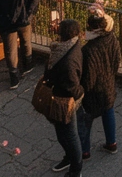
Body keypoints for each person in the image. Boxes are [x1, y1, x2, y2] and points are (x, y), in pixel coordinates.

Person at [77, 0, 121, 158]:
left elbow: (88, 77)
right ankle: (112, 143)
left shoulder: (88, 50)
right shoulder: (112, 39)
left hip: (93, 91)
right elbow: (117, 62)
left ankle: (85, 151)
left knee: (86, 120)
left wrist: (83, 90)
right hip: (108, 84)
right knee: (108, 111)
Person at [45, 18, 84, 174]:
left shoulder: (67, 58)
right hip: (60, 98)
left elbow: (72, 86)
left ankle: (76, 170)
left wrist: (79, 94)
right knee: (62, 133)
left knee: (71, 136)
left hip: (65, 100)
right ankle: (69, 159)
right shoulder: (71, 46)